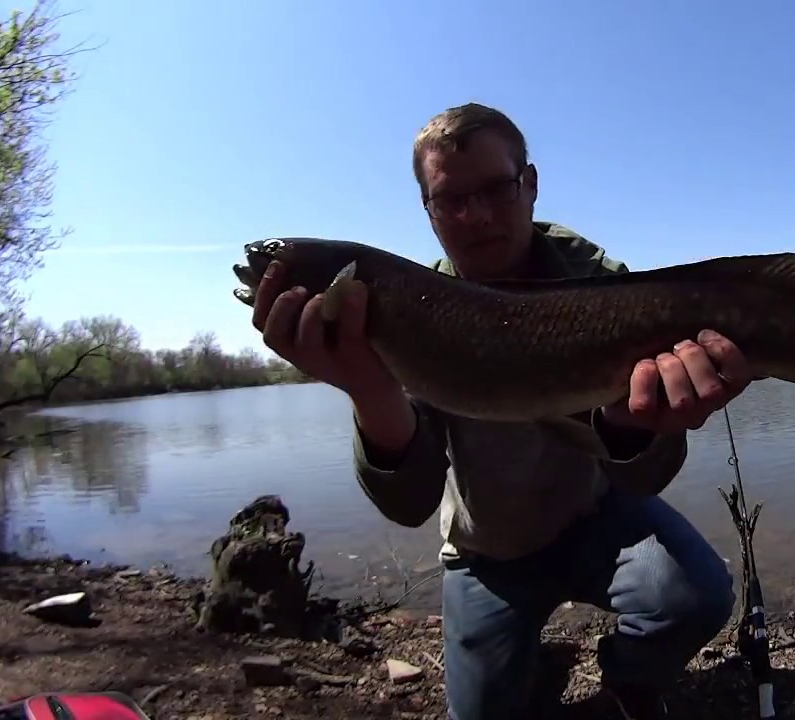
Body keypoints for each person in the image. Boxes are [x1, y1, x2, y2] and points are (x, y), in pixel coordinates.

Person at [251, 102, 751, 720]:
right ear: (428, 212)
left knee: (695, 595)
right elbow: (409, 504)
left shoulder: (602, 285)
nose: (477, 215)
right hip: (487, 551)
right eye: (450, 199)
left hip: (598, 518)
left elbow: (643, 477)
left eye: (496, 189)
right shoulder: (402, 310)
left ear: (531, 184)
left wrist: (635, 424)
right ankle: (530, 664)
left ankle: (627, 685)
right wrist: (369, 390)